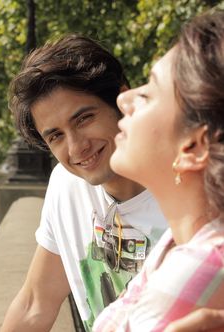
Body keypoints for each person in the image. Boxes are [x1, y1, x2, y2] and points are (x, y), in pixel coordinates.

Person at [1, 32, 224, 332]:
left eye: (84, 119)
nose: (77, 147)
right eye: (55, 136)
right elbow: (34, 304)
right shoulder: (68, 185)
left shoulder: (197, 236)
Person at [92, 9, 224, 332]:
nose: (125, 99)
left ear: (193, 147)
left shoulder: (203, 264)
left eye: (148, 92)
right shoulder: (177, 243)